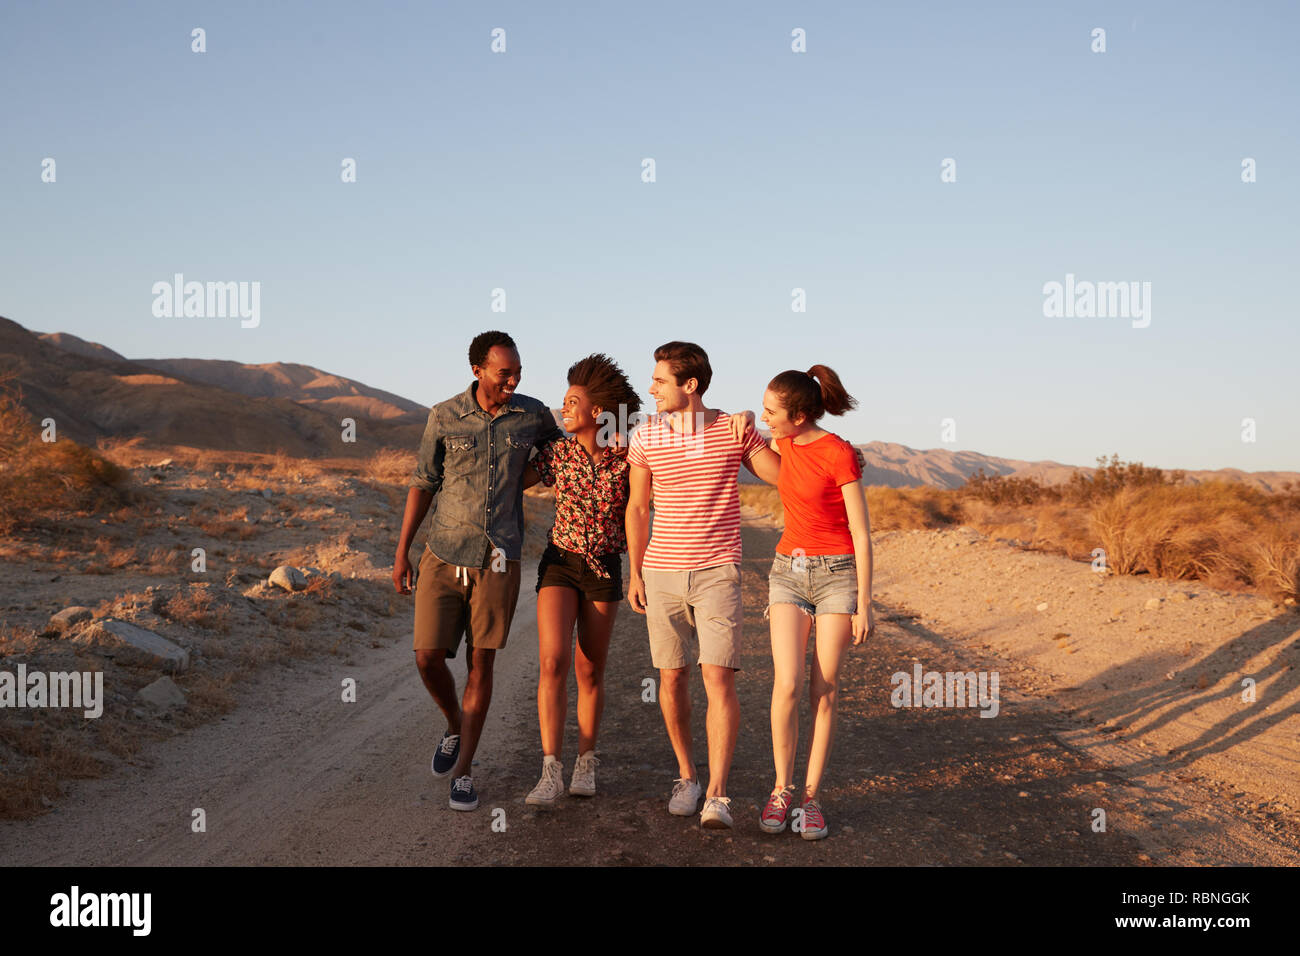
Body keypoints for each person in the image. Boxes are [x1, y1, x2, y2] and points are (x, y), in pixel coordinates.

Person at [393, 331, 562, 812]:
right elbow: (423, 482)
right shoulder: (445, 416)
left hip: (497, 557)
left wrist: (519, 483)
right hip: (443, 552)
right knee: (427, 656)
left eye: (518, 370)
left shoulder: (532, 414)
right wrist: (401, 551)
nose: (514, 378)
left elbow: (557, 458)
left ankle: (464, 772)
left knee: (480, 664)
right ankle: (453, 723)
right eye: (504, 371)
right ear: (477, 370)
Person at [625, 341, 781, 829]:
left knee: (718, 678)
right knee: (671, 677)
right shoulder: (646, 435)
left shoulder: (733, 430)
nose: (650, 388)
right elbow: (637, 507)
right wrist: (635, 570)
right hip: (662, 573)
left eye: (658, 380)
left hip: (718, 572)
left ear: (689, 385)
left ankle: (718, 794)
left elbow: (782, 476)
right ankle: (687, 776)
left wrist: (765, 426)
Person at [729, 366, 875, 840]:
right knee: (787, 684)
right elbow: (753, 449)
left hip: (838, 577)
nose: (768, 418)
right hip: (787, 573)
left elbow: (861, 532)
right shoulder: (783, 445)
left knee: (823, 689)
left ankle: (811, 801)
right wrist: (749, 417)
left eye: (773, 411)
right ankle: (780, 789)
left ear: (798, 414)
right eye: (766, 410)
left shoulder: (839, 453)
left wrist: (865, 604)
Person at [520, 354, 641, 807]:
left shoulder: (628, 456)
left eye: (572, 401)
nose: (563, 407)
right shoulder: (557, 453)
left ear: (598, 412)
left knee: (589, 668)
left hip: (605, 567)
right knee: (552, 662)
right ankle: (550, 768)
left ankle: (585, 760)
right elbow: (510, 482)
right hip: (560, 562)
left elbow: (652, 498)